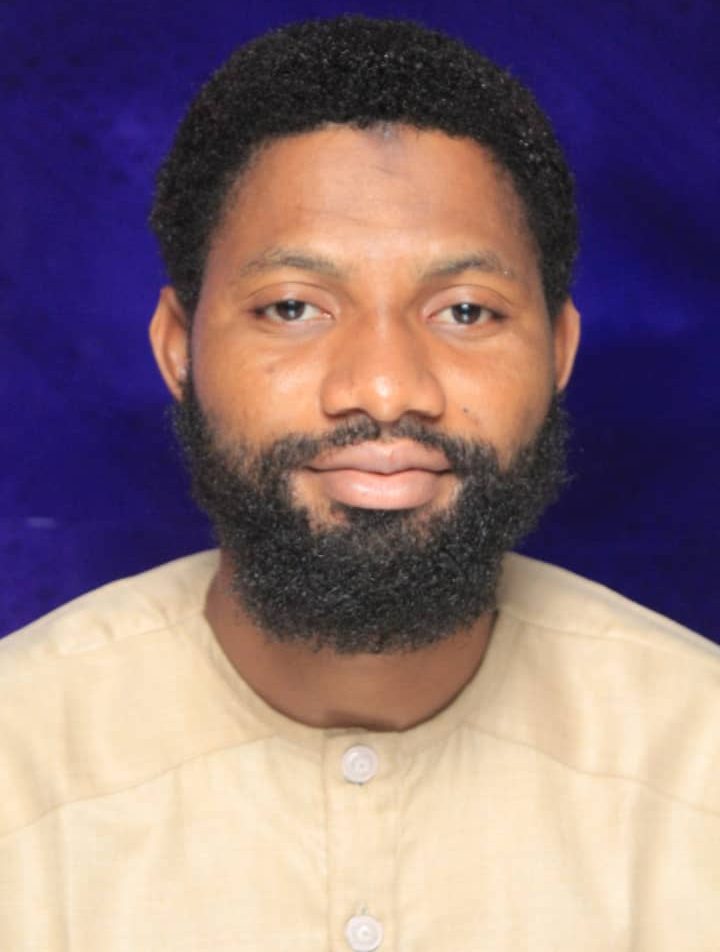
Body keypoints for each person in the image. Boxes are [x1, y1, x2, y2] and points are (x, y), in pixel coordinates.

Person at [1, 15, 718, 951]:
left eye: (466, 311)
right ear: (179, 347)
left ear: (559, 351)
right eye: (293, 306)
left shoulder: (699, 758)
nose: (384, 388)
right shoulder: (18, 760)